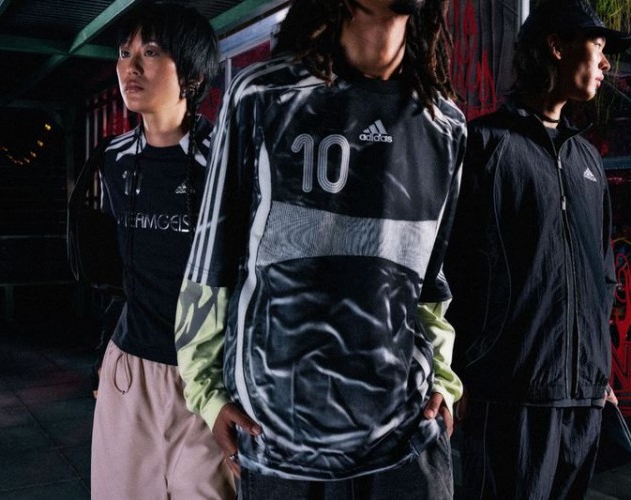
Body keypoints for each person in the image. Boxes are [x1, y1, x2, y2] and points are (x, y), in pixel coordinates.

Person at [174, 0, 466, 498]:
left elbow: (431, 280)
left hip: (405, 444)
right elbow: (210, 261)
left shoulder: (445, 124)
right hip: (283, 443)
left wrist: (442, 379)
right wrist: (207, 393)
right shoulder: (263, 95)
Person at [445, 0, 630, 497]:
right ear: (556, 46)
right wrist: (458, 373)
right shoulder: (484, 145)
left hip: (584, 400)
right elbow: (452, 269)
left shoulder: (587, 159)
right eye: (597, 46)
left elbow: (603, 272)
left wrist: (599, 372)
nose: (605, 62)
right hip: (510, 396)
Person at [87, 2, 235, 498]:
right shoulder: (112, 159)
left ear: (192, 75)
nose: (130, 67)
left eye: (150, 53)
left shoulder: (225, 160)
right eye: (124, 53)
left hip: (209, 377)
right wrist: (106, 353)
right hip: (129, 366)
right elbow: (122, 271)